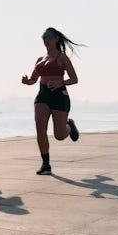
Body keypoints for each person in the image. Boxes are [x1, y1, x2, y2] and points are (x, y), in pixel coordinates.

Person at [21, 26, 82, 175]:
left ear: (56, 39)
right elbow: (33, 79)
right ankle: (46, 164)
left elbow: (74, 79)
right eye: (44, 37)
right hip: (42, 95)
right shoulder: (40, 59)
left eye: (48, 37)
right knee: (40, 128)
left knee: (59, 135)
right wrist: (27, 81)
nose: (45, 40)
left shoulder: (62, 58)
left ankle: (69, 125)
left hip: (59, 95)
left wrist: (61, 82)